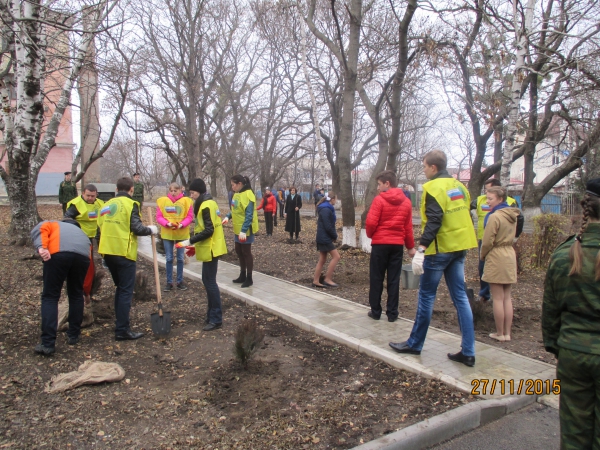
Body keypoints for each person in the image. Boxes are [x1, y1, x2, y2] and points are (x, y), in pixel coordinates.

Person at [389, 150, 478, 367]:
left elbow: (435, 221)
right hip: (460, 247)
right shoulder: (459, 186)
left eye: (424, 166)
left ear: (433, 168)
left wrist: (421, 248)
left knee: (427, 296)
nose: (423, 169)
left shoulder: (433, 188)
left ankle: (415, 344)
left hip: (439, 250)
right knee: (461, 298)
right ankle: (468, 351)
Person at [542, 177, 600, 450]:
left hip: (572, 354)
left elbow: (550, 311)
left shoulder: (564, 253)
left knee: (574, 435)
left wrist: (558, 347)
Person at [98, 177, 159, 341]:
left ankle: (120, 325)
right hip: (123, 252)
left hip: (107, 252)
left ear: (117, 190)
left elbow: (100, 225)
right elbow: (137, 228)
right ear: (131, 190)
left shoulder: (106, 205)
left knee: (120, 288)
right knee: (126, 291)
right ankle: (122, 330)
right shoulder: (131, 204)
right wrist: (150, 230)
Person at [30, 219, 93, 355]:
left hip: (58, 254)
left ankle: (47, 343)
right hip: (81, 258)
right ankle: (74, 335)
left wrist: (42, 247)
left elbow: (40, 228)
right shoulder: (84, 236)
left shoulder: (54, 223)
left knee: (50, 297)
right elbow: (90, 269)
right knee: (76, 295)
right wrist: (86, 292)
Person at [176, 179, 227, 331]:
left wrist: (189, 241)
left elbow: (208, 230)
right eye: (190, 193)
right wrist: (195, 246)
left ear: (200, 191)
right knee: (207, 280)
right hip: (209, 247)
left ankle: (216, 318)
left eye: (193, 193)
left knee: (210, 282)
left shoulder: (205, 205)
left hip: (212, 248)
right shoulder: (208, 203)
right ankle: (211, 315)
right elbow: (204, 228)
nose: (191, 196)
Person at [366, 171, 416, 322]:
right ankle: (392, 313)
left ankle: (375, 311)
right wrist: (410, 247)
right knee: (393, 279)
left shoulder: (379, 200)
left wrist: (371, 235)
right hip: (396, 246)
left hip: (380, 245)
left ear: (387, 184)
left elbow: (370, 223)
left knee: (376, 278)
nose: (378, 188)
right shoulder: (406, 202)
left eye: (380, 184)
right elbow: (407, 227)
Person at [471, 178, 523, 302]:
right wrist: (474, 214)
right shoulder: (480, 200)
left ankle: (494, 298)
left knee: (500, 287)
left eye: (488, 189)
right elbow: (470, 206)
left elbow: (519, 217)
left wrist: (515, 236)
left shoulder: (510, 202)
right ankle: (484, 294)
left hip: (498, 243)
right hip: (484, 238)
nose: (486, 194)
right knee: (483, 268)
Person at [480, 186, 520, 342]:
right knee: (507, 298)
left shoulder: (494, 217)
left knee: (497, 298)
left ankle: (499, 333)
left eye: (490, 198)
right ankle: (507, 333)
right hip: (509, 254)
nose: (488, 201)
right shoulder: (512, 215)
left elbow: (488, 240)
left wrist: (482, 256)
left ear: (500, 199)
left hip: (497, 255)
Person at [64, 184, 104, 303]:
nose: (90, 198)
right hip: (78, 240)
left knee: (89, 267)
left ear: (96, 194)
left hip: (91, 238)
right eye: (88, 196)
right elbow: (67, 219)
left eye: (93, 196)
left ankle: (87, 293)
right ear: (83, 194)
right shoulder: (76, 205)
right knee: (82, 267)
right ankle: (79, 293)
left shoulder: (100, 204)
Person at [156, 182, 194, 291]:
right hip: (167, 234)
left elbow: (189, 216)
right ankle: (169, 282)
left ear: (180, 190)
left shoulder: (187, 201)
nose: (173, 193)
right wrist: (167, 224)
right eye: (171, 191)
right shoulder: (162, 201)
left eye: (175, 190)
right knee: (169, 258)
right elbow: (159, 217)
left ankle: (180, 281)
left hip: (181, 234)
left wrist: (182, 224)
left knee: (181, 258)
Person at [222, 175, 259, 288]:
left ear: (239, 184)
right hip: (237, 228)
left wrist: (244, 230)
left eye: (233, 184)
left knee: (246, 252)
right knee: (238, 250)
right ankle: (242, 274)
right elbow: (234, 209)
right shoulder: (236, 194)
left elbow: (249, 215)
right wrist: (228, 216)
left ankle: (249, 277)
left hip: (246, 229)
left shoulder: (248, 195)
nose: (232, 187)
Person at [312, 193, 341, 288]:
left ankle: (316, 280)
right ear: (332, 199)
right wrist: (335, 236)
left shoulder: (326, 208)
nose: (336, 201)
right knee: (336, 257)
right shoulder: (326, 209)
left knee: (322, 259)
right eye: (335, 199)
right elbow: (328, 226)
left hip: (323, 236)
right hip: (324, 237)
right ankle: (327, 279)